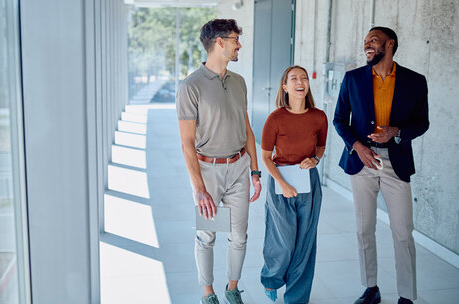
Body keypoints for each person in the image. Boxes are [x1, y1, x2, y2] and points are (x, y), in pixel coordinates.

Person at [333, 27, 429, 304]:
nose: (367, 46)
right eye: (365, 42)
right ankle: (370, 288)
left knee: (402, 231)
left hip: (395, 162)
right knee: (364, 229)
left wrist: (396, 131)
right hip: (361, 161)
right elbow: (339, 119)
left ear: (390, 44)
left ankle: (407, 296)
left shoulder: (414, 81)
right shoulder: (353, 78)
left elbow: (422, 122)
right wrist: (358, 146)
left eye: (373, 41)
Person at [176, 19, 262, 304]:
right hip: (208, 171)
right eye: (236, 39)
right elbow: (187, 143)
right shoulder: (190, 86)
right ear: (219, 42)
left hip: (239, 167)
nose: (240, 45)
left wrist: (255, 171)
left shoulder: (239, 82)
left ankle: (232, 288)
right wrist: (199, 188)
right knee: (206, 236)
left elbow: (247, 128)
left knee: (239, 235)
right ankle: (208, 293)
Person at [259, 65, 328, 303]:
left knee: (305, 245)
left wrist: (316, 159)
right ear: (285, 86)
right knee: (283, 240)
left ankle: (296, 298)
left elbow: (321, 146)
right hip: (280, 183)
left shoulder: (319, 116)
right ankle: (271, 278)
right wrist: (283, 183)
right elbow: (266, 158)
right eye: (294, 78)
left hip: (309, 183)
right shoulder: (275, 118)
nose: (301, 81)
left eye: (304, 78)